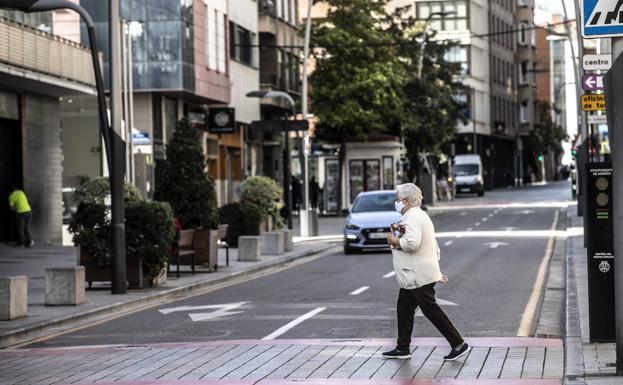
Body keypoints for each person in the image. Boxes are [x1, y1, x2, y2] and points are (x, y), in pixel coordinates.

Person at [383, 183, 470, 361]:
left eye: (398, 199)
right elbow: (433, 246)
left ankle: (458, 344)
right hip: (416, 274)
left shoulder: (411, 217)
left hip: (416, 275)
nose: (396, 202)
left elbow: (413, 243)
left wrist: (394, 241)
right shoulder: (419, 215)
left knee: (431, 310)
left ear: (405, 200)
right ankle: (402, 348)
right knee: (404, 308)